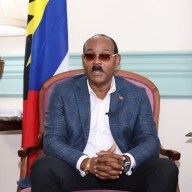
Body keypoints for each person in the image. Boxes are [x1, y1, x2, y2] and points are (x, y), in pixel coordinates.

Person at [30, 34, 179, 192]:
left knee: (165, 168)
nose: (96, 62)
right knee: (43, 167)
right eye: (90, 56)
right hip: (77, 172)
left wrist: (124, 161)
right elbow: (52, 140)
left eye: (105, 56)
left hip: (124, 173)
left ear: (117, 60)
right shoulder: (62, 91)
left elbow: (150, 140)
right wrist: (87, 163)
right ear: (83, 60)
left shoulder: (136, 94)